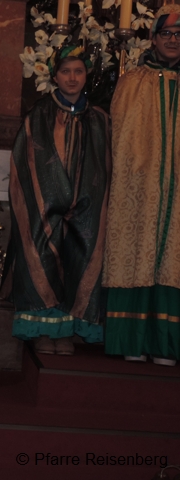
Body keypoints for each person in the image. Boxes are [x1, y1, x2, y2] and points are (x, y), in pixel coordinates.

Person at [6, 46, 110, 355]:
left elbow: (105, 165)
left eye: (78, 71)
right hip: (44, 202)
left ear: (86, 75)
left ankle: (68, 329)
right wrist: (54, 196)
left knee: (82, 255)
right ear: (54, 76)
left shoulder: (100, 119)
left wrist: (84, 199)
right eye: (66, 72)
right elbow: (26, 161)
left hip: (87, 206)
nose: (72, 78)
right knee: (42, 255)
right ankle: (43, 329)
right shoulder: (39, 114)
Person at [103, 4, 180, 367]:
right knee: (136, 249)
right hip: (139, 185)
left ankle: (166, 344)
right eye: (167, 33)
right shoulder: (132, 81)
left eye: (179, 35)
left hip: (177, 190)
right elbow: (120, 137)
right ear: (153, 38)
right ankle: (131, 338)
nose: (173, 40)